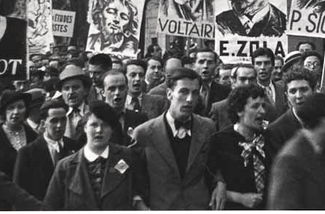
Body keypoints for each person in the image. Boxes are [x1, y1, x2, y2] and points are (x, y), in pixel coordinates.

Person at [132, 67, 225, 210]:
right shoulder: (144, 133)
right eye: (183, 92)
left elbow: (214, 164)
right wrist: (141, 206)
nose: (190, 99)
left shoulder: (207, 127)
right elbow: (135, 178)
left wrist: (220, 182)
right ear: (169, 94)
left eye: (195, 93)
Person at [44, 101, 149, 210]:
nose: (99, 130)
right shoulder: (65, 167)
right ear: (85, 128)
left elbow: (141, 195)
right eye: (94, 125)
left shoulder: (127, 158)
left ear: (112, 130)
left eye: (105, 125)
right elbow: (50, 207)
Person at [208, 84, 270, 209]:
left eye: (263, 106)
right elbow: (209, 184)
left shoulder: (268, 138)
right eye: (255, 106)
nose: (262, 111)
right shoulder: (219, 141)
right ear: (239, 110)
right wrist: (240, 198)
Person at [13, 100, 80, 200]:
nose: (59, 125)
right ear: (43, 123)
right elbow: (19, 192)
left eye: (63, 120)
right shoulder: (27, 153)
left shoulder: (75, 147)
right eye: (54, 121)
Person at [0, 90, 38, 197]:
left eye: (20, 107)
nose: (16, 112)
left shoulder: (34, 136)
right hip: (0, 197)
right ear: (3, 111)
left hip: (30, 197)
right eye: (11, 108)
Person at [101, 69, 147, 146]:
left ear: (127, 89)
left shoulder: (140, 119)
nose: (117, 93)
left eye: (121, 88)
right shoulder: (95, 120)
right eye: (112, 89)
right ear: (103, 92)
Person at [210, 64, 258, 131]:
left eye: (251, 79)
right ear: (234, 81)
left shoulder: (266, 108)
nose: (247, 83)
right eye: (242, 79)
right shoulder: (219, 109)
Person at [57, 64, 92, 140]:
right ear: (61, 93)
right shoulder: (58, 115)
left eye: (76, 87)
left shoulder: (93, 112)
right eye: (66, 88)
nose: (71, 92)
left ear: (85, 90)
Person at [252, 47, 287, 121]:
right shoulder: (250, 91)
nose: (262, 67)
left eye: (267, 63)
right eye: (258, 63)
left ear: (273, 66)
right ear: (253, 66)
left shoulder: (282, 88)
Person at [192, 49, 231, 116]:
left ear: (216, 65)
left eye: (210, 62)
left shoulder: (226, 91)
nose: (205, 66)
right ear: (194, 65)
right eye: (201, 62)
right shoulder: (187, 89)